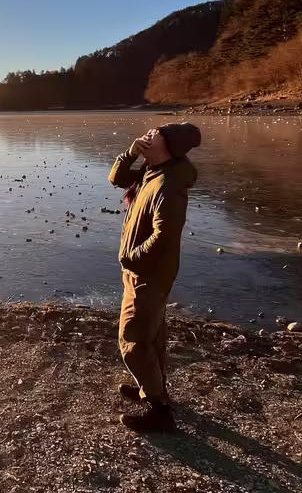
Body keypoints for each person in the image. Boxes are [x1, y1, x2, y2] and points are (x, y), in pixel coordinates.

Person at [107, 122, 201, 432]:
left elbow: (165, 236)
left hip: (148, 273)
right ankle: (153, 387)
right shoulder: (153, 169)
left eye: (155, 134)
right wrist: (130, 153)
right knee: (152, 336)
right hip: (143, 272)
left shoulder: (167, 185)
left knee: (132, 340)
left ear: (168, 146)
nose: (148, 134)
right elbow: (116, 178)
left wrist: (130, 257)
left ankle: (159, 411)